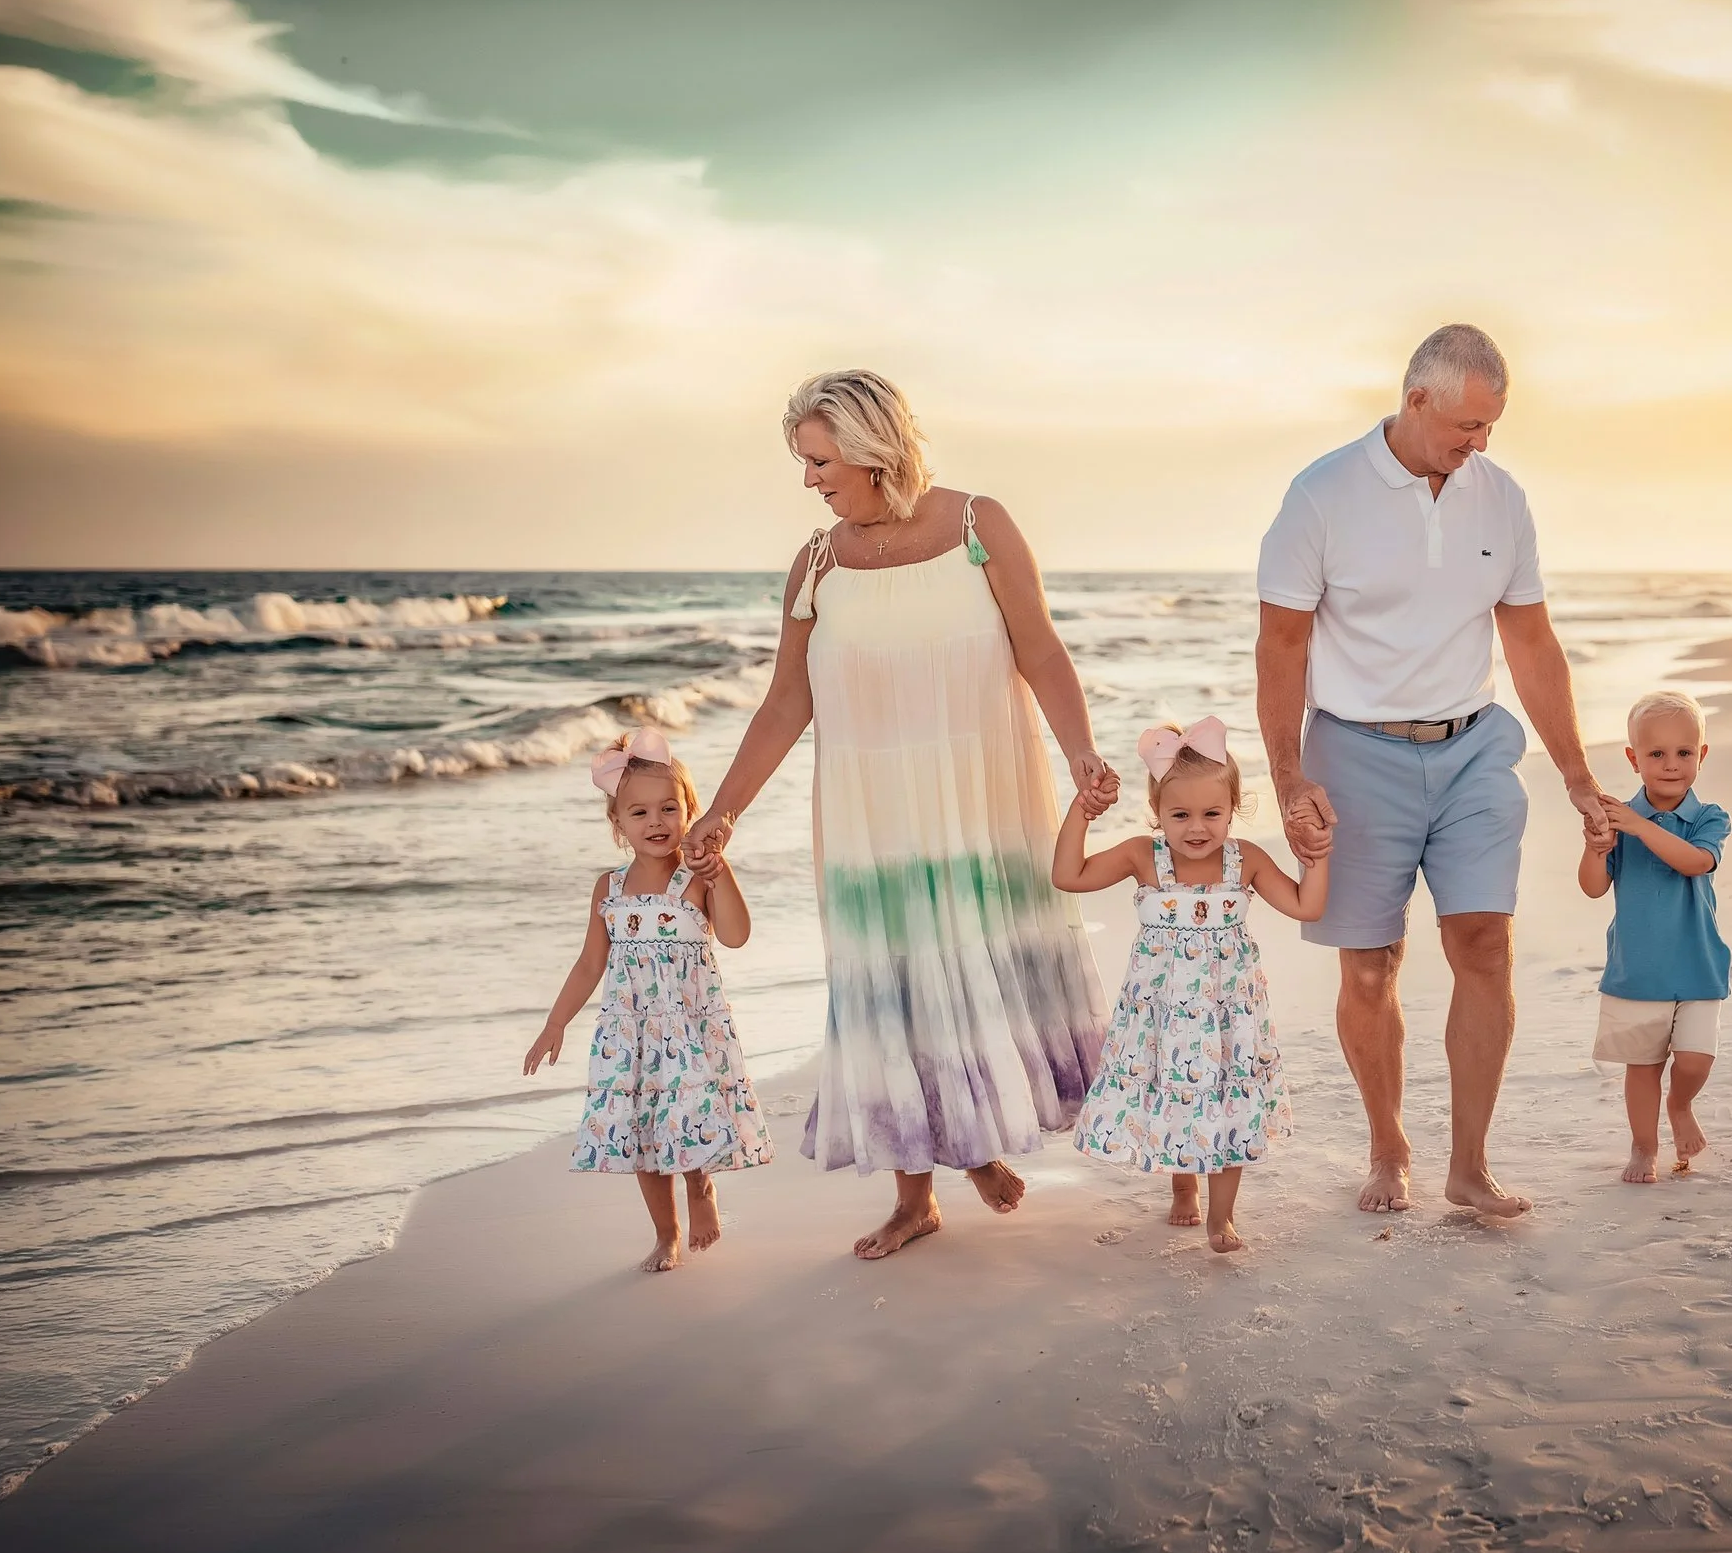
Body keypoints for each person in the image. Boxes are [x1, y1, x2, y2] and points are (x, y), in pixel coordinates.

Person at [682, 370, 1119, 1260]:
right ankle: (916, 1195)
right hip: (871, 814)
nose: (809, 480)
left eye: (817, 459)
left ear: (871, 446)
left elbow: (1039, 648)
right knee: (897, 990)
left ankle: (979, 1140)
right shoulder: (815, 563)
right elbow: (782, 704)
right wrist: (722, 811)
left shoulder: (976, 525)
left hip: (981, 797)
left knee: (978, 967)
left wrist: (1082, 754)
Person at [1256, 323, 1610, 1218]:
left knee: (1484, 942)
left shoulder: (1502, 498)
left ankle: (1470, 1164)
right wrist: (1290, 778)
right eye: (1467, 425)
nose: (1480, 442)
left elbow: (1530, 640)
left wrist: (1573, 771)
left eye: (1492, 426)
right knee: (1370, 968)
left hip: (1475, 746)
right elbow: (1281, 647)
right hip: (1354, 750)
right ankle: (1388, 1146)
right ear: (1416, 400)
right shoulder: (1320, 495)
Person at [1056, 718, 1327, 1252]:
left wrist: (1317, 854)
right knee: (1174, 1096)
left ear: (1233, 809)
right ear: (1157, 813)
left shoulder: (1244, 859)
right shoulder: (1143, 855)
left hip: (1228, 1015)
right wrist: (1081, 811)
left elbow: (1306, 905)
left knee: (1224, 1102)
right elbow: (1070, 875)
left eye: (1212, 813)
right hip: (1161, 1013)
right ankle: (1183, 1186)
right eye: (1179, 814)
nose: (1196, 827)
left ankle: (1221, 1217)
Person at [523, 727, 773, 1272]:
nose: (655, 822)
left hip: (687, 1029)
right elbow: (590, 964)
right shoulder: (607, 890)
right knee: (639, 1131)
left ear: (690, 812)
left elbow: (735, 936)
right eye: (639, 813)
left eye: (668, 808)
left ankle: (701, 1187)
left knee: (687, 1115)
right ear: (618, 825)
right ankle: (666, 1233)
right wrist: (554, 1024)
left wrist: (721, 872)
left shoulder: (697, 880)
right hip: (628, 1033)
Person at [1577, 691, 1732, 1184]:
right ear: (1634, 759)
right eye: (1656, 754)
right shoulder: (1619, 820)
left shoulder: (1710, 818)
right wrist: (1597, 846)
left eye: (1684, 753)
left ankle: (1681, 1105)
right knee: (1641, 1066)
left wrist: (1640, 827)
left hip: (1697, 965)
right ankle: (1643, 1147)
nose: (1671, 765)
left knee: (1694, 1059)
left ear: (1701, 756)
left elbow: (1694, 863)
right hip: (1637, 969)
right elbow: (1593, 887)